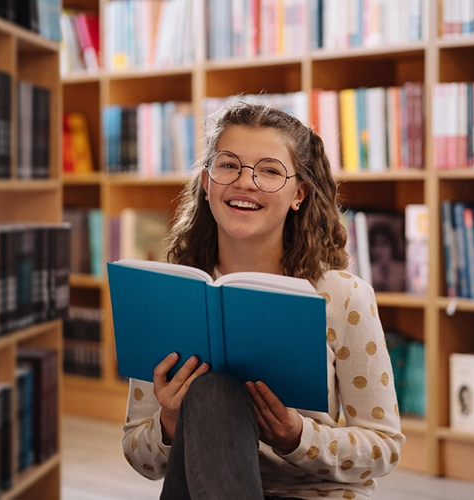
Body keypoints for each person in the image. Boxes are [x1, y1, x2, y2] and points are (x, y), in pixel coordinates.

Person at [121, 100, 405, 500]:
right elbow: (140, 457)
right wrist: (170, 420)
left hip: (313, 494)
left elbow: (384, 448)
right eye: (228, 165)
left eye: (269, 170)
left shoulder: (343, 296)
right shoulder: (168, 296)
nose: (245, 182)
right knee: (211, 394)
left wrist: (296, 435)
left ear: (298, 194)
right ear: (207, 183)